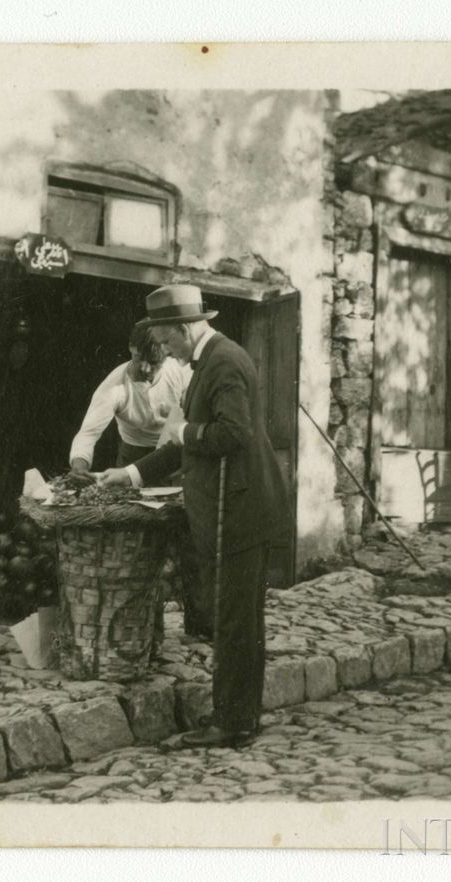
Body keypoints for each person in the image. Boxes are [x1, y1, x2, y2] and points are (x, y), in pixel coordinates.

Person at [98, 284, 291, 748]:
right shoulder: (207, 363)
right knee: (236, 618)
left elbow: (233, 433)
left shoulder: (223, 361)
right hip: (232, 508)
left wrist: (188, 429)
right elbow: (181, 443)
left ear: (186, 328)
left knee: (235, 621)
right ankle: (240, 714)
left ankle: (233, 721)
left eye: (168, 342)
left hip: (239, 510)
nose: (167, 352)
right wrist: (130, 473)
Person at [67, 323, 192, 483]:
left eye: (154, 362)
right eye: (139, 358)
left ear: (167, 353)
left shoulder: (181, 371)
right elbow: (89, 433)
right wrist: (79, 466)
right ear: (131, 348)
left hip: (174, 451)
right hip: (132, 456)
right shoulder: (114, 386)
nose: (146, 369)